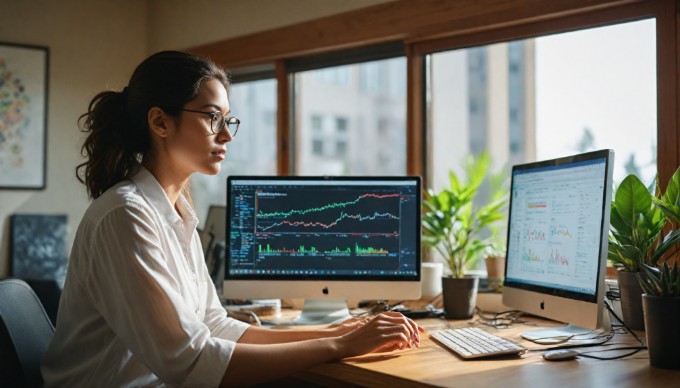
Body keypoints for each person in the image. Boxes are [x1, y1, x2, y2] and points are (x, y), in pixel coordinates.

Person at [41, 51, 424, 387]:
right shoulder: (125, 216)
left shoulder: (176, 212)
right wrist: (339, 345)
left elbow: (216, 325)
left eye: (229, 120)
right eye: (212, 118)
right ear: (160, 122)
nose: (227, 135)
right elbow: (190, 363)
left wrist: (333, 330)